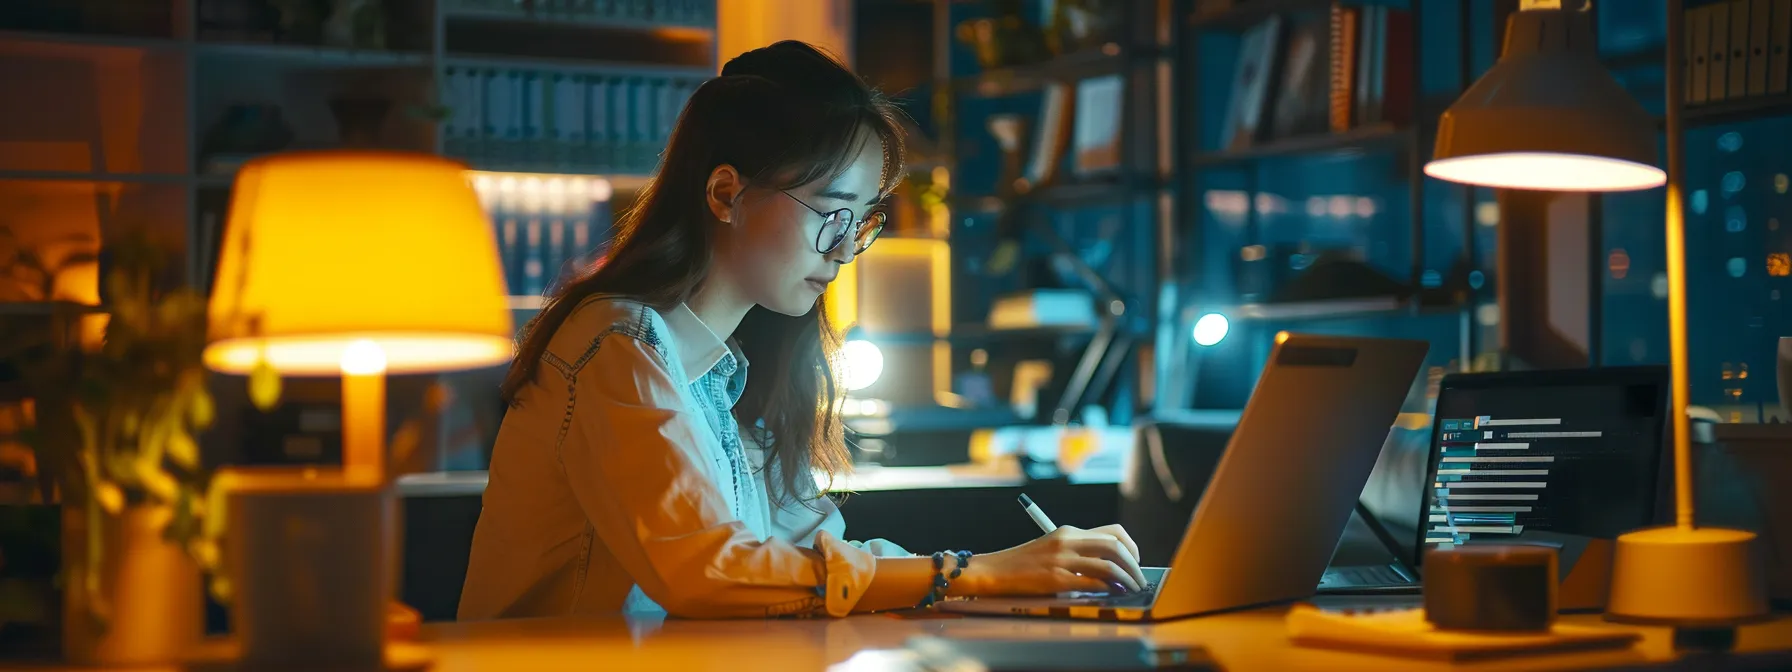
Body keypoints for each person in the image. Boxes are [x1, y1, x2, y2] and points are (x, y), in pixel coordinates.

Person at [458, 41, 1146, 620]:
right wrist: (974, 574)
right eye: (831, 213)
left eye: (863, 221)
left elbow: (812, 563)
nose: (845, 251)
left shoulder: (731, 368)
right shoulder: (617, 342)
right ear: (727, 193)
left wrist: (1008, 580)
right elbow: (706, 572)